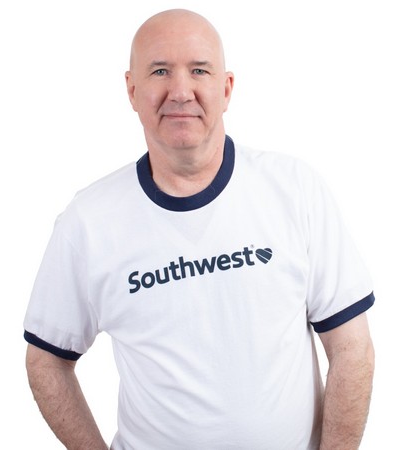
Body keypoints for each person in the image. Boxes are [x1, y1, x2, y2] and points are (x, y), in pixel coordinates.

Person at [24, 8, 375, 450]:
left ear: (226, 89)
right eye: (159, 71)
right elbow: (46, 361)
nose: (180, 91)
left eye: (199, 70)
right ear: (132, 90)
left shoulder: (295, 190)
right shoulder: (88, 222)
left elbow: (352, 349)